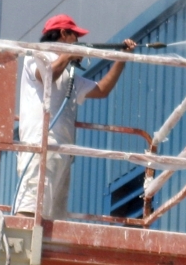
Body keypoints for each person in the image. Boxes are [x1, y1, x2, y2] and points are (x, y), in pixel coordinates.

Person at [14, 14, 136, 218]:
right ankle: (20, 237)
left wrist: (122, 58)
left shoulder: (69, 75)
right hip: (40, 145)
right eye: (75, 37)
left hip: (63, 151)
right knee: (30, 209)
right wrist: (69, 55)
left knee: (53, 218)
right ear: (63, 33)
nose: (78, 42)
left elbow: (102, 89)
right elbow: (47, 76)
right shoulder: (36, 56)